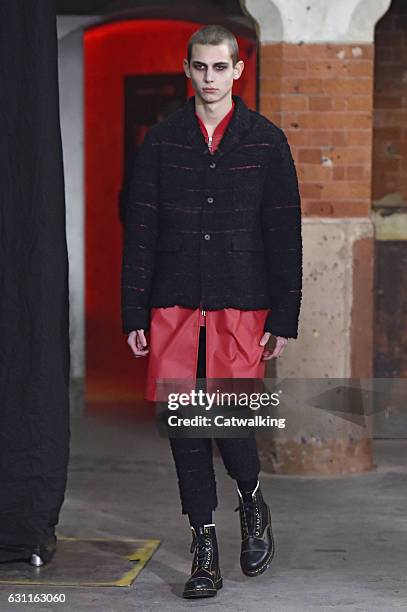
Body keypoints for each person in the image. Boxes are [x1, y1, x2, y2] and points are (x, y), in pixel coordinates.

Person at [121, 25, 302, 599]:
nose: (209, 78)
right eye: (200, 68)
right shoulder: (162, 140)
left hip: (241, 302)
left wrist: (283, 317)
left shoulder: (266, 141)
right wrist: (133, 311)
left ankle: (251, 502)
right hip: (173, 302)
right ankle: (204, 547)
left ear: (237, 71)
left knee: (229, 424)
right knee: (185, 429)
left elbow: (283, 233)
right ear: (187, 69)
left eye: (219, 68)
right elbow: (142, 230)